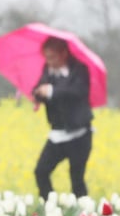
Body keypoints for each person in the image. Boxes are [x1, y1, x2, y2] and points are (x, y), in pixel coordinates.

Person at [31, 37, 93, 200]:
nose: (49, 61)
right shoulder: (47, 70)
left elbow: (77, 92)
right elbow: (39, 88)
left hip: (79, 134)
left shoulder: (79, 70)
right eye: (46, 57)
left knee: (76, 178)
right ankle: (50, 206)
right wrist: (37, 95)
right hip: (58, 133)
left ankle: (83, 211)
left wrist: (52, 91)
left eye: (52, 57)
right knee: (41, 171)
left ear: (64, 54)